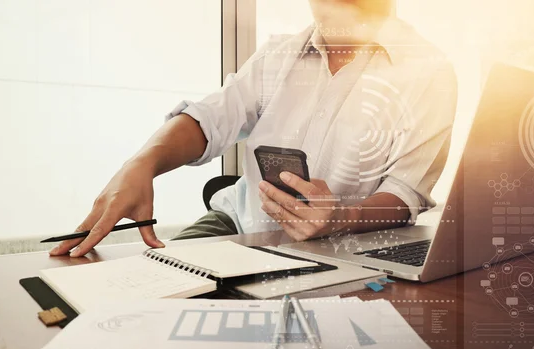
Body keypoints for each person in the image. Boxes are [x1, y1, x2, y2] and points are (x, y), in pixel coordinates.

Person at [50, 0, 457, 258]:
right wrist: (142, 163)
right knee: (158, 281)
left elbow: (406, 192)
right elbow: (209, 119)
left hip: (346, 248)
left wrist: (344, 216)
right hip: (238, 223)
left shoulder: (428, 73)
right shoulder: (276, 56)